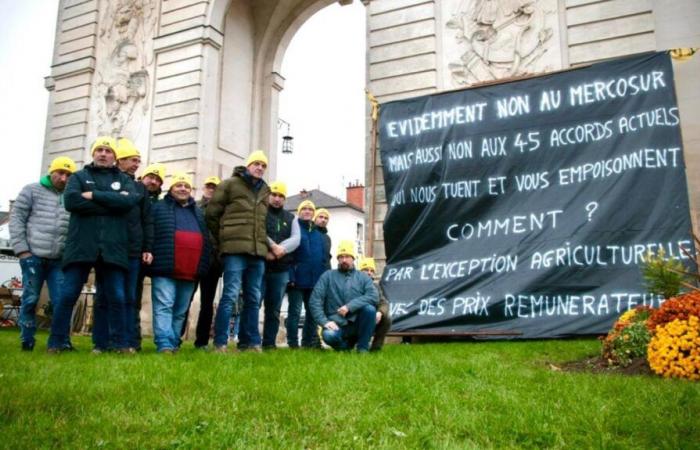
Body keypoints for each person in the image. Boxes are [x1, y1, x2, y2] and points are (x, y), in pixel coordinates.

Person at [47, 136, 140, 353]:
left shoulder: (124, 180)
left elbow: (128, 202)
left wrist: (94, 196)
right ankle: (57, 342)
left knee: (116, 296)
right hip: (81, 245)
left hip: (113, 247)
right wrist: (110, 202)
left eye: (108, 151)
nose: (103, 154)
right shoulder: (79, 176)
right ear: (93, 153)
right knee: (68, 294)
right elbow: (71, 202)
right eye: (99, 150)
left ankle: (118, 344)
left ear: (114, 157)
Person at [92, 138, 153, 352]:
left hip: (133, 250)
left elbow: (147, 219)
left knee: (129, 297)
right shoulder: (107, 182)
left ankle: (127, 342)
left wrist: (147, 247)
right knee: (104, 296)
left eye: (138, 161)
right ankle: (101, 342)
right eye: (132, 160)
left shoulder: (139, 188)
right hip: (108, 249)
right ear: (120, 161)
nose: (137, 164)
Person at [206, 150, 270, 352]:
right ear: (248, 165)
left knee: (253, 298)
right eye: (256, 164)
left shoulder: (265, 190)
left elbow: (261, 224)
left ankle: (249, 342)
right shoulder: (229, 184)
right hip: (234, 249)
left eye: (263, 165)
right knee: (230, 295)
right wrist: (223, 239)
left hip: (257, 252)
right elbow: (211, 215)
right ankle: (220, 342)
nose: (259, 167)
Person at [9, 156, 76, 351]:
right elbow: (16, 219)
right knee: (30, 299)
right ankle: (27, 340)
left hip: (59, 260)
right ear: (51, 172)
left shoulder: (71, 196)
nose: (64, 178)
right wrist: (22, 251)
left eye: (68, 175)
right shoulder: (31, 190)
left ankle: (61, 341)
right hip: (33, 256)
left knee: (61, 302)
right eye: (60, 173)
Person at [147, 172, 210, 353]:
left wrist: (202, 266)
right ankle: (164, 344)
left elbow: (205, 239)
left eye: (186, 186)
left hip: (190, 270)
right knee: (164, 305)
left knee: (181, 310)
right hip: (164, 267)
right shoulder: (158, 207)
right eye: (178, 185)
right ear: (171, 189)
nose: (183, 189)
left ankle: (174, 342)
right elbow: (151, 233)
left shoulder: (198, 212)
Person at [309, 240, 378, 353]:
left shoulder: (363, 277)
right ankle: (345, 348)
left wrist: (349, 307)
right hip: (336, 324)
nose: (344, 260)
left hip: (357, 324)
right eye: (341, 257)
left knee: (370, 310)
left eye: (347, 256)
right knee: (329, 335)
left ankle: (362, 348)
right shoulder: (327, 276)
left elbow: (373, 296)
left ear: (353, 258)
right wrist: (325, 322)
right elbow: (315, 301)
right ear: (338, 259)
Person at [261, 181, 300, 349]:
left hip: (281, 270)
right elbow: (258, 232)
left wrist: (280, 250)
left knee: (274, 309)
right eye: (274, 195)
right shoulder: (260, 213)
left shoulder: (291, 218)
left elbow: (296, 239)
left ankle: (269, 344)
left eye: (281, 196)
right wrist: (272, 246)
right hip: (261, 267)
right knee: (253, 303)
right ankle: (249, 341)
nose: (277, 199)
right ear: (268, 196)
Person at [133, 162, 166, 349]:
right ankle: (133, 339)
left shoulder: (161, 204)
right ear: (142, 177)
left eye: (157, 179)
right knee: (132, 298)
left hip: (154, 255)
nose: (153, 181)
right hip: (134, 252)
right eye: (150, 177)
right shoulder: (134, 195)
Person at [286, 199, 326, 349]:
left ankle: (308, 342)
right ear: (299, 212)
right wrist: (291, 276)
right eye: (304, 209)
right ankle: (293, 343)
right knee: (294, 312)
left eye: (310, 209)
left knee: (312, 313)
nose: (307, 211)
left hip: (315, 281)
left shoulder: (318, 234)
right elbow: (288, 255)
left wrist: (322, 280)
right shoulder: (294, 230)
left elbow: (322, 259)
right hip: (296, 280)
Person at [191, 175, 224, 348]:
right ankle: (176, 337)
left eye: (215, 187)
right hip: (194, 260)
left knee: (207, 303)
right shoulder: (194, 206)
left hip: (214, 262)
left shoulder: (223, 210)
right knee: (186, 299)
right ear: (204, 188)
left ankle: (201, 341)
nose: (211, 189)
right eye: (209, 186)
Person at [358, 257, 391, 351]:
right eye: (365, 270)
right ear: (359, 271)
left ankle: (376, 347)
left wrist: (380, 312)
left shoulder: (376, 287)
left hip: (372, 319)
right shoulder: (353, 285)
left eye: (371, 270)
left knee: (387, 319)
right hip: (356, 320)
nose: (369, 273)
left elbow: (384, 303)